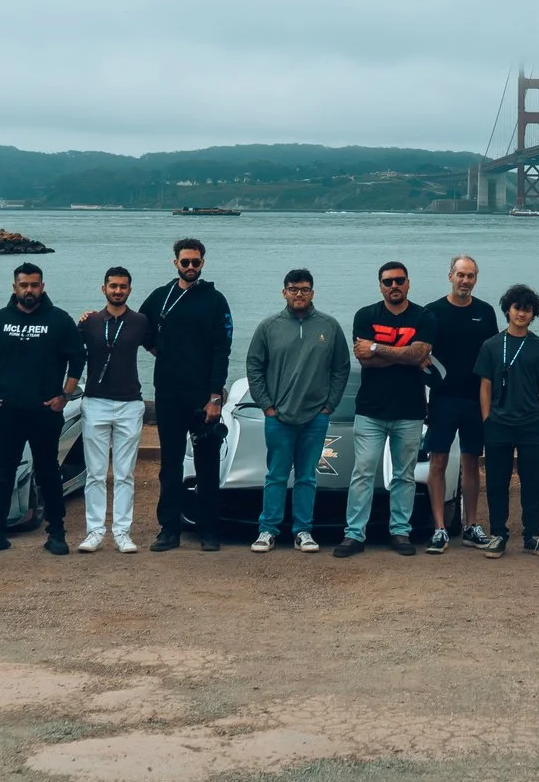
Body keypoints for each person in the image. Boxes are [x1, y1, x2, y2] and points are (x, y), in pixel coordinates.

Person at [0, 262, 82, 557]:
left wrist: (65, 396)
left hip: (45, 411)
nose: (29, 290)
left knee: (48, 471)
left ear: (42, 287)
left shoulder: (59, 320)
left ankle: (56, 533)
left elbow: (78, 359)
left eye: (34, 285)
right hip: (8, 411)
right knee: (4, 471)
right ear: (14, 287)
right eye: (24, 285)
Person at [245, 269, 349, 553]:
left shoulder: (329, 326)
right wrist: (266, 406)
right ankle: (267, 530)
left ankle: (303, 530)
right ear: (284, 292)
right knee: (276, 475)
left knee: (307, 477)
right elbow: (254, 367)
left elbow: (341, 368)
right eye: (293, 289)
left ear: (312, 292)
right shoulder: (269, 327)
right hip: (278, 416)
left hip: (315, 417)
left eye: (304, 289)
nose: (298, 294)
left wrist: (329, 406)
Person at [142, 238, 233, 552]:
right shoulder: (160, 297)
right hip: (168, 394)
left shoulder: (215, 300)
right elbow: (139, 329)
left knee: (207, 466)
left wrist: (215, 397)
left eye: (196, 262)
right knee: (170, 464)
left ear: (203, 263)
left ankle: (209, 530)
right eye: (185, 262)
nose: (190, 267)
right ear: (175, 262)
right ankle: (169, 529)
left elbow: (223, 350)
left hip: (202, 395)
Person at [342, 260, 433, 558]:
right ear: (380, 285)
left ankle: (400, 532)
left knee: (404, 475)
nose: (394, 286)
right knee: (362, 472)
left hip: (409, 410)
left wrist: (377, 348)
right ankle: (354, 534)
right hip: (370, 410)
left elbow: (420, 352)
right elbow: (364, 360)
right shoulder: (365, 315)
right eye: (388, 281)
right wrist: (405, 357)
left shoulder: (424, 316)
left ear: (408, 283)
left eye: (399, 280)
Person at [421, 256, 498, 553]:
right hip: (442, 399)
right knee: (438, 462)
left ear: (476, 279)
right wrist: (424, 394)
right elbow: (422, 356)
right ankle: (439, 528)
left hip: (475, 398)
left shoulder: (485, 312)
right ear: (450, 276)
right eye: (461, 275)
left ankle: (471, 526)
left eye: (471, 276)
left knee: (470, 463)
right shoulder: (432, 312)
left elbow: (492, 358)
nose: (465, 281)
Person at [76, 266, 154, 554]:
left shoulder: (141, 321)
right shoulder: (90, 322)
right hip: (95, 402)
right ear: (103, 289)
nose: (118, 291)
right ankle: (95, 531)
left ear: (130, 290)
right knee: (95, 473)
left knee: (125, 474)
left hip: (130, 403)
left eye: (123, 286)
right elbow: (70, 354)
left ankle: (123, 532)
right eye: (113, 286)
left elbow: (159, 350)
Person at [476, 283, 539, 556]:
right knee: (497, 481)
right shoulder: (491, 345)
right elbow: (485, 385)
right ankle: (498, 534)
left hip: (532, 424)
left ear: (534, 314)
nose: (521, 314)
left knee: (532, 481)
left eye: (527, 309)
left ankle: (532, 534)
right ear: (508, 310)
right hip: (498, 423)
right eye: (517, 308)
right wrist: (487, 419)